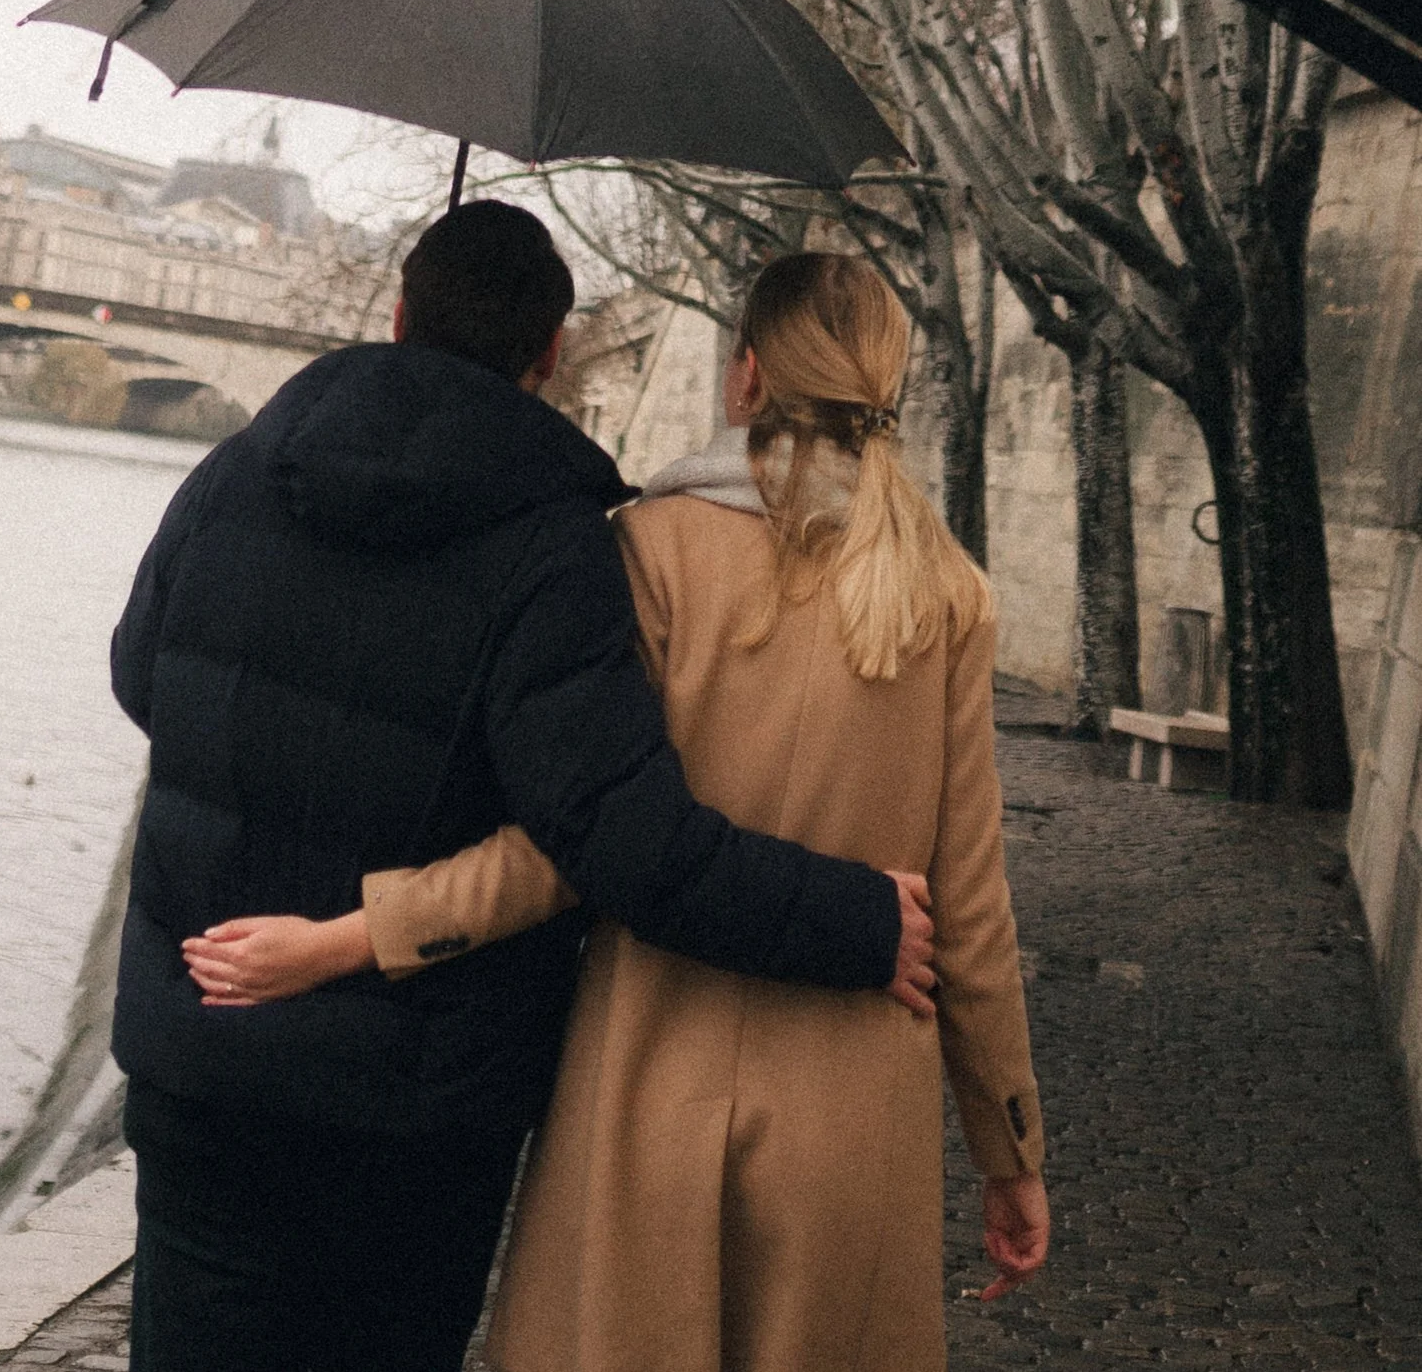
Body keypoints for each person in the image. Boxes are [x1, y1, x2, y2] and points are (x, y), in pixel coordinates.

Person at [187, 243, 1049, 1371]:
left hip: (646, 1086)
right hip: (853, 1117)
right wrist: (1009, 1147)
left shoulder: (647, 547)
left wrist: (358, 937)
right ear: (887, 388)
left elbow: (570, 842)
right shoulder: (946, 593)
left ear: (744, 377)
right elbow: (971, 911)